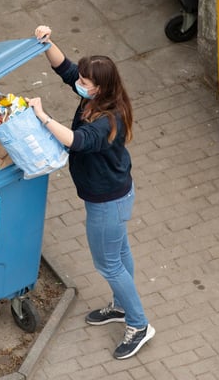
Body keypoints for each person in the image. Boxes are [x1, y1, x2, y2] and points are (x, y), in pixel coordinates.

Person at [27, 24, 154, 360]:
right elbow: (65, 68)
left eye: (85, 83)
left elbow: (77, 142)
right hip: (114, 195)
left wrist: (42, 117)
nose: (78, 85)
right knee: (120, 253)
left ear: (100, 88)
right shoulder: (99, 97)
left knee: (108, 263)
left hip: (107, 202)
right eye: (81, 82)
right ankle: (121, 305)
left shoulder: (108, 120)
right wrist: (46, 43)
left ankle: (138, 324)